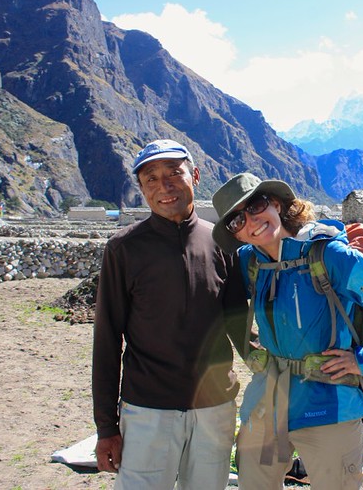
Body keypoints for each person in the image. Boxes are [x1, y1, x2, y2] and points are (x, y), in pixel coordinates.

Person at [211, 172, 363, 490]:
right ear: (235, 234)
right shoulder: (249, 263)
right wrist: (251, 352)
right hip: (269, 399)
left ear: (277, 204)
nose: (251, 221)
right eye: (236, 220)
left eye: (256, 205)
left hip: (329, 403)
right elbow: (218, 300)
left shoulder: (329, 256)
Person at [92, 139, 248, 489]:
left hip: (215, 409)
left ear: (195, 176)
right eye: (151, 178)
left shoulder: (223, 244)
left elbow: (241, 325)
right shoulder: (123, 249)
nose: (164, 186)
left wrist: (283, 376)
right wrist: (106, 427)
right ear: (142, 189)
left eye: (174, 174)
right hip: (148, 411)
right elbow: (106, 341)